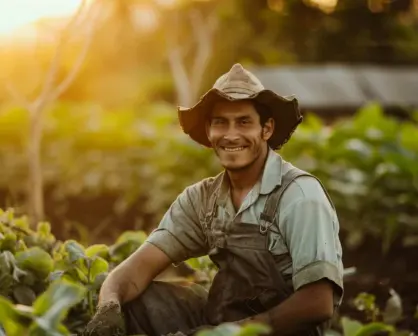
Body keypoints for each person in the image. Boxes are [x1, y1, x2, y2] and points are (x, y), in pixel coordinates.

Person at [83, 63, 344, 336]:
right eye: (221, 122)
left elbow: (318, 302)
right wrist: (108, 305)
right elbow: (136, 269)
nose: (231, 135)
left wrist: (227, 334)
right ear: (209, 131)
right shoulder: (202, 199)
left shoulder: (300, 196)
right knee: (138, 302)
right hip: (225, 320)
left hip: (281, 331)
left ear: (266, 129)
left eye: (244, 122)